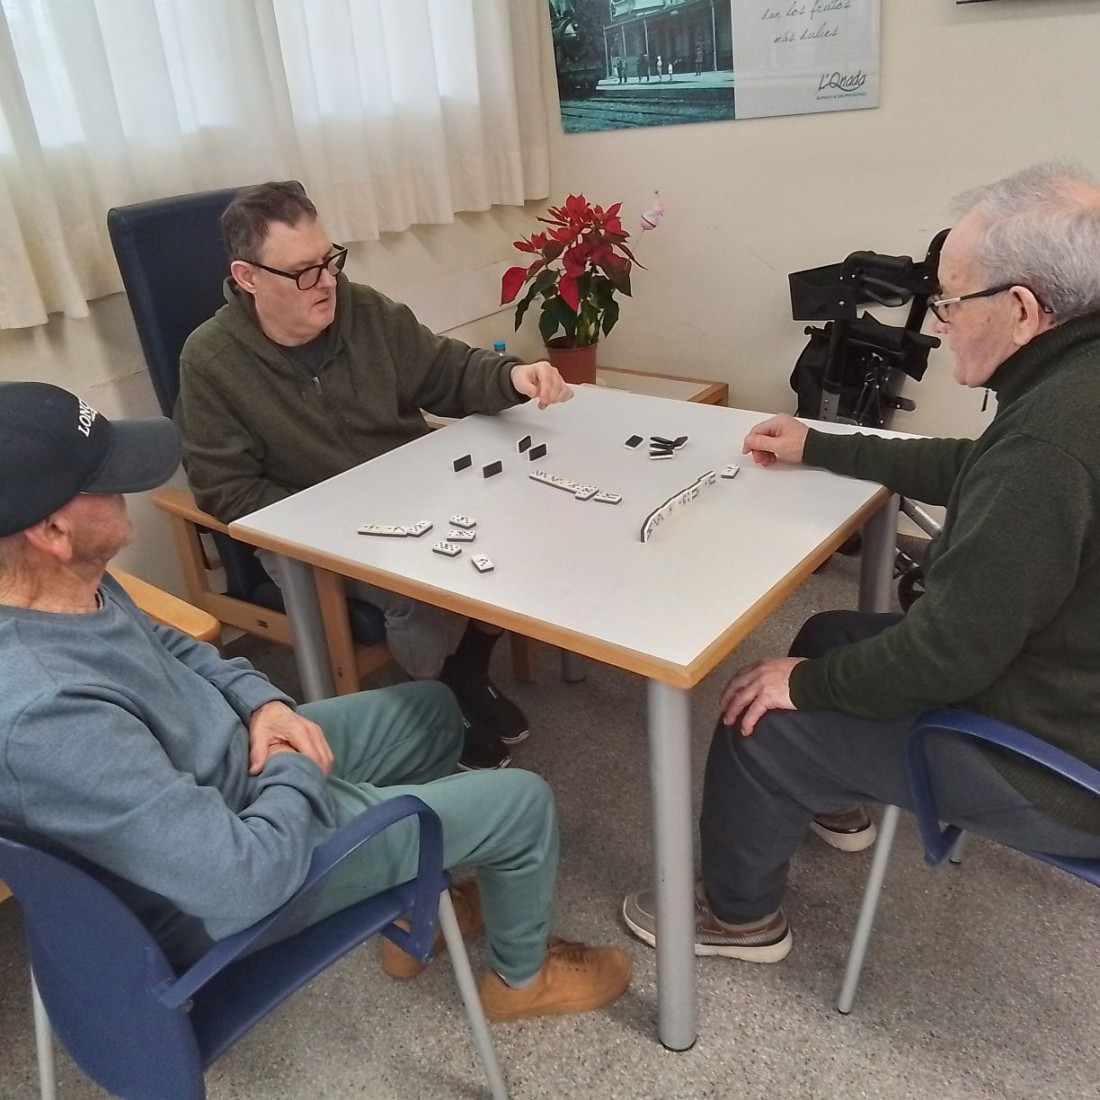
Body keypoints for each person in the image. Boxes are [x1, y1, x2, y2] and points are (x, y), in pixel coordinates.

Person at [0, 381, 631, 1019]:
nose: (126, 489)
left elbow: (175, 649)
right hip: (241, 872)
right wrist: (290, 763)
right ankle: (520, 982)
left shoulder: (70, 584)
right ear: (52, 530)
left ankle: (417, 899)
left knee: (435, 713)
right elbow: (241, 881)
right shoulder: (50, 716)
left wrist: (266, 708)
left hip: (239, 773)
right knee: (522, 805)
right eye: (106, 482)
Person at [623, 162, 1100, 961]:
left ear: (1022, 310)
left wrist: (803, 688)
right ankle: (835, 794)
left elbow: (946, 655)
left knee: (757, 715)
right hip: (1063, 690)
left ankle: (738, 919)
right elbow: (980, 466)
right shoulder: (1070, 388)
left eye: (952, 301)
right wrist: (823, 443)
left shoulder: (1050, 444)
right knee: (828, 632)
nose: (941, 323)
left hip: (1057, 767)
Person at [175, 181, 573, 772]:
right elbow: (225, 489)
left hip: (408, 490)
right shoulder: (211, 361)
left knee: (517, 522)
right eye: (304, 271)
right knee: (412, 584)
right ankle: (436, 704)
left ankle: (464, 670)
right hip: (303, 526)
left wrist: (512, 377)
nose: (327, 282)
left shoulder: (364, 310)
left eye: (330, 260)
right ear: (248, 277)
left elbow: (446, 370)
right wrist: (336, 520)